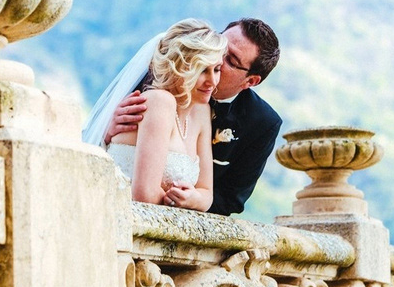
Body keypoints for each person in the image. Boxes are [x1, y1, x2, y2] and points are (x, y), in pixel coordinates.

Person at [104, 18, 281, 216]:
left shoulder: (260, 122)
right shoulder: (153, 83)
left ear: (251, 81)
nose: (218, 61)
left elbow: (229, 199)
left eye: (229, 60)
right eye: (220, 46)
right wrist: (108, 131)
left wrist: (192, 200)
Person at [85, 19, 227, 211]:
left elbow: (206, 192)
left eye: (216, 69)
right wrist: (179, 206)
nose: (212, 81)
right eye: (202, 70)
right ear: (179, 66)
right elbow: (145, 195)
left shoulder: (201, 111)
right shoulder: (159, 101)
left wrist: (192, 199)